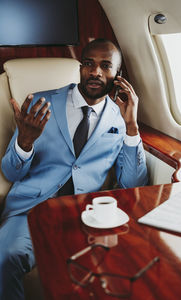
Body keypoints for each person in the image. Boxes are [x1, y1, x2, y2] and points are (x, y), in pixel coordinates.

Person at [0, 38, 148, 299]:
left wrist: (132, 129)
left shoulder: (119, 117)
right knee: (5, 258)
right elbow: (12, 173)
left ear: (118, 75)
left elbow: (132, 185)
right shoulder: (40, 104)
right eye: (88, 64)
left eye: (105, 66)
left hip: (88, 217)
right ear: (80, 67)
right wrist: (25, 141)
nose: (95, 72)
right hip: (30, 212)